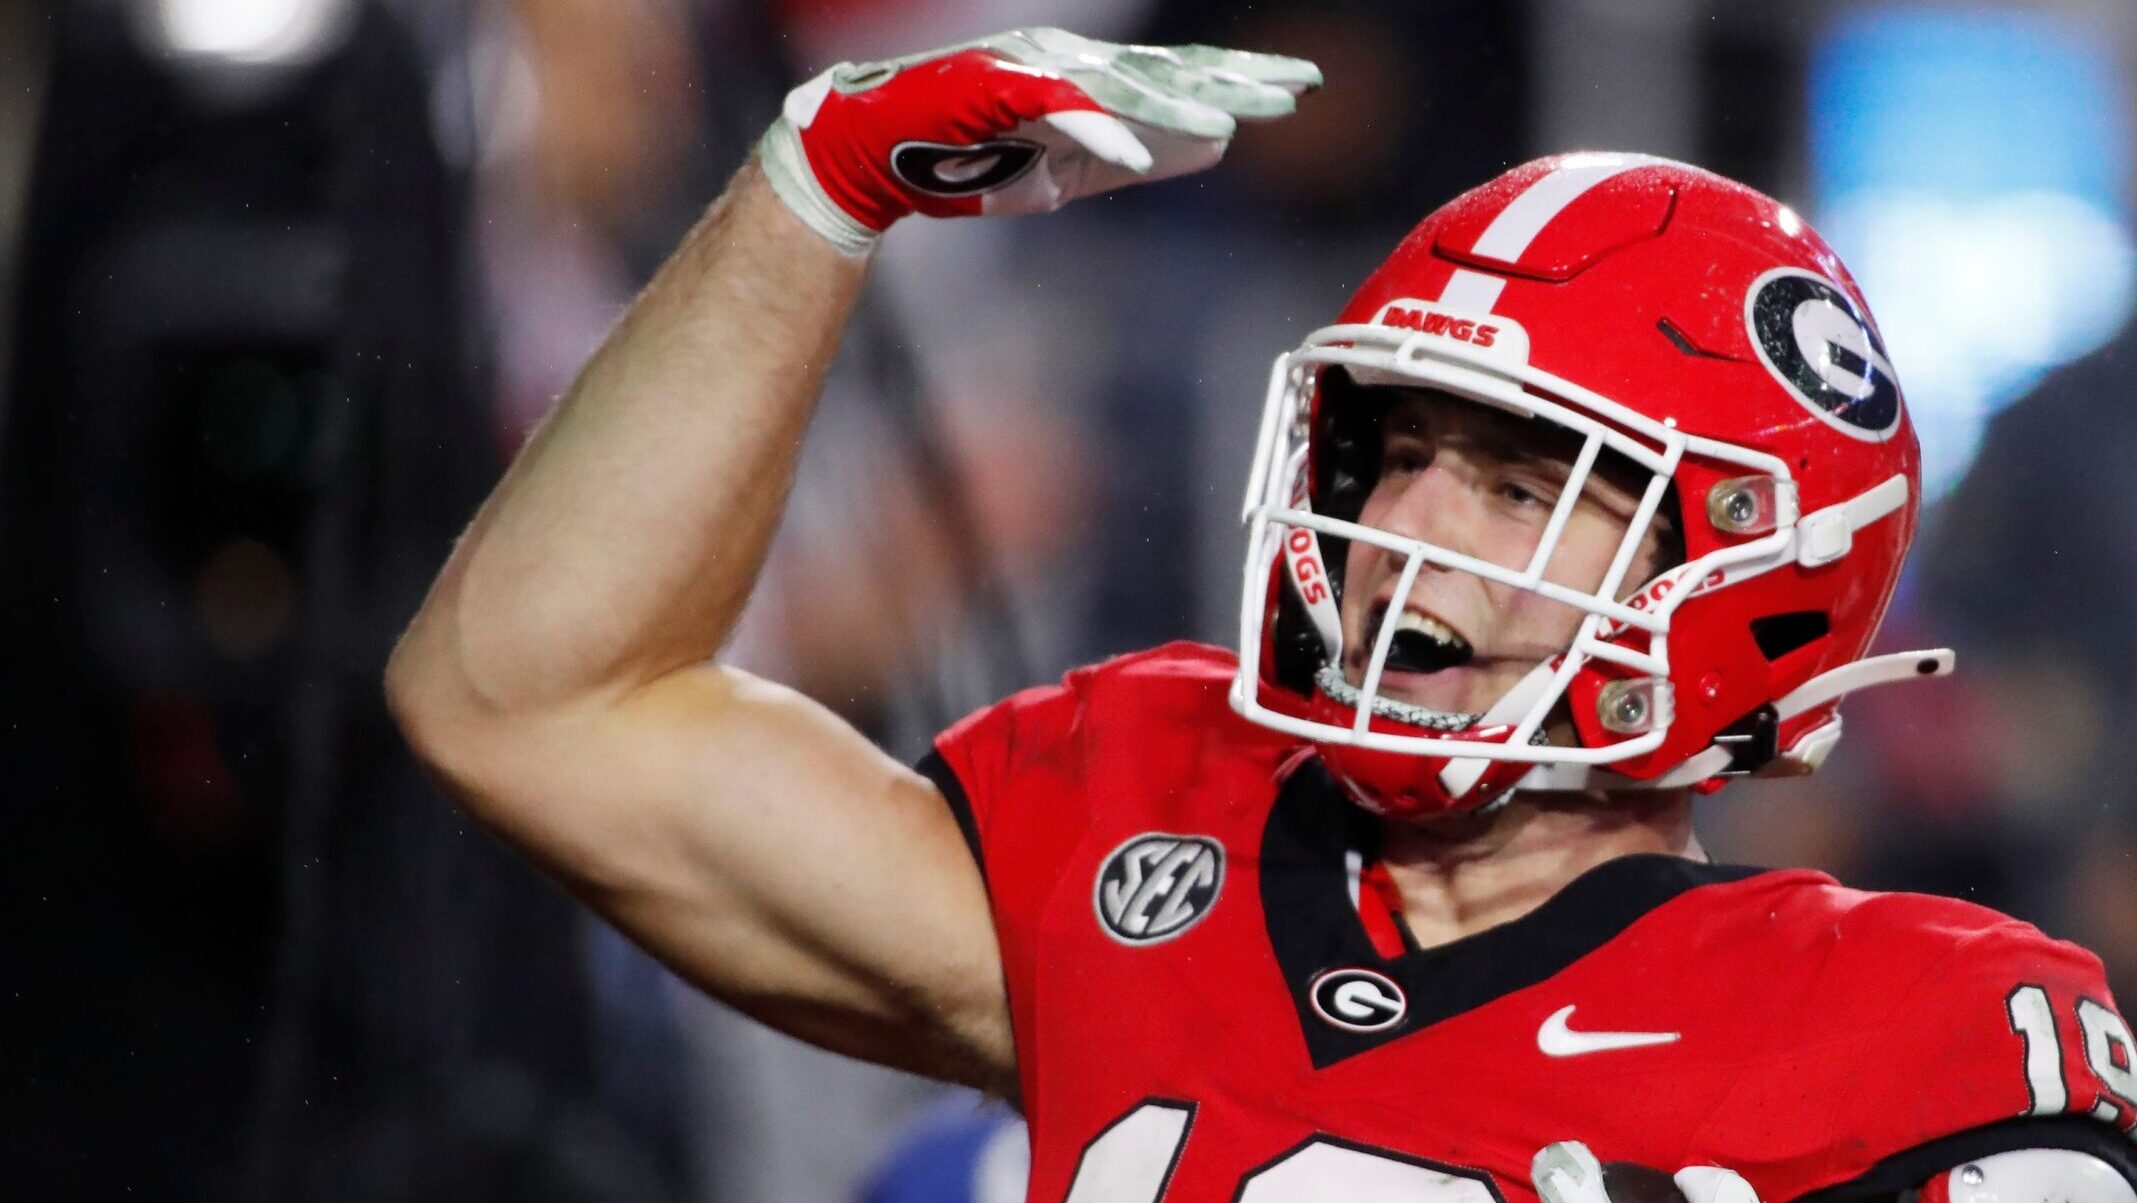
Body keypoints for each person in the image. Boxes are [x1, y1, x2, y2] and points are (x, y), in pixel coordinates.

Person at [385, 27, 2137, 1203]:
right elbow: (529, 705)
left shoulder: (1923, 1039)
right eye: (1394, 451)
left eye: (1523, 485)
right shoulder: (1164, 818)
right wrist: (816, 193)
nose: (1401, 530)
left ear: (1754, 574)